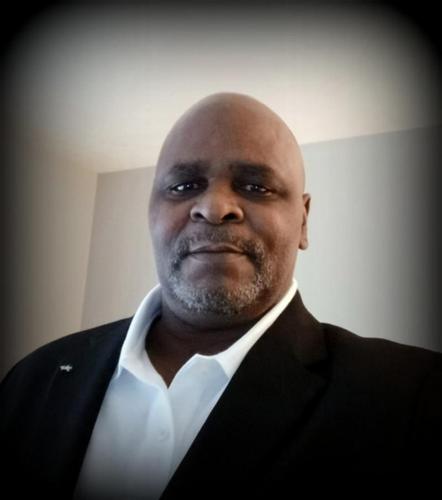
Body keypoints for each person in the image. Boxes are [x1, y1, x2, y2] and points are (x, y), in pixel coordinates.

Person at [1, 93, 441, 499]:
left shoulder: (415, 397)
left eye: (255, 186)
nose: (213, 208)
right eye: (183, 186)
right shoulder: (31, 381)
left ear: (303, 221)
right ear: (151, 212)